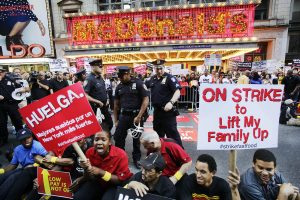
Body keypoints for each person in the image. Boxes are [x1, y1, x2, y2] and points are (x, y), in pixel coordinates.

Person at [70, 127, 133, 200]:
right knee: (78, 197)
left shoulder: (121, 155)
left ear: (109, 142)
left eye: (103, 140)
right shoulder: (89, 152)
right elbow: (90, 177)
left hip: (114, 185)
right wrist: (85, 170)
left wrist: (101, 172)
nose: (99, 142)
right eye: (96, 139)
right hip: (97, 182)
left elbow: (120, 180)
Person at [114, 66, 149, 169]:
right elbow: (116, 105)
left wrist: (139, 116)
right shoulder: (119, 86)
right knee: (118, 138)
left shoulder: (138, 83)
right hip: (123, 116)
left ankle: (137, 159)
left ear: (127, 74)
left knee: (136, 139)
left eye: (121, 76)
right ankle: (120, 158)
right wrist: (115, 120)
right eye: (119, 77)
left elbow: (145, 100)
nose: (120, 78)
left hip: (136, 116)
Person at [102, 152, 176, 199]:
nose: (143, 172)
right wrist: (129, 185)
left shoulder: (168, 189)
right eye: (143, 168)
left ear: (159, 173)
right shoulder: (137, 176)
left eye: (149, 170)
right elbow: (122, 195)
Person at [0, 128, 48, 199]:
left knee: (12, 177)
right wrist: (2, 171)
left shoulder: (38, 146)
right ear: (19, 141)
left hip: (35, 172)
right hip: (23, 170)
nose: (26, 140)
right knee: (4, 176)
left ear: (32, 137)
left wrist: (37, 164)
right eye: (23, 139)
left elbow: (48, 161)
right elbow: (13, 165)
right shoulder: (18, 149)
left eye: (28, 137)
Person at [145, 59, 183, 146]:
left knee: (172, 135)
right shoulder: (152, 78)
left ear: (164, 67)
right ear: (154, 69)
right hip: (157, 112)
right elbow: (143, 85)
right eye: (157, 69)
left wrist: (171, 102)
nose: (159, 71)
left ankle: (180, 156)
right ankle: (161, 154)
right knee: (158, 135)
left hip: (168, 112)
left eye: (161, 68)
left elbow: (177, 91)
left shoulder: (170, 78)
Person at [84, 59, 113, 131]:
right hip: (96, 108)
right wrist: (97, 102)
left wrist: (107, 99)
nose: (101, 67)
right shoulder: (89, 79)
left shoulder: (100, 78)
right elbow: (85, 95)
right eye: (99, 66)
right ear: (93, 67)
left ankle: (106, 137)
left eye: (101, 66)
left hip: (104, 107)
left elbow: (103, 90)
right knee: (98, 127)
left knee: (109, 124)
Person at [0, 66, 23, 146]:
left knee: (17, 120)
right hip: (1, 105)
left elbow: (21, 89)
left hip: (12, 104)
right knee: (2, 123)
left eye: (2, 72)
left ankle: (22, 137)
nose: (1, 73)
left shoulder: (11, 78)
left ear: (4, 72)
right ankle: (4, 140)